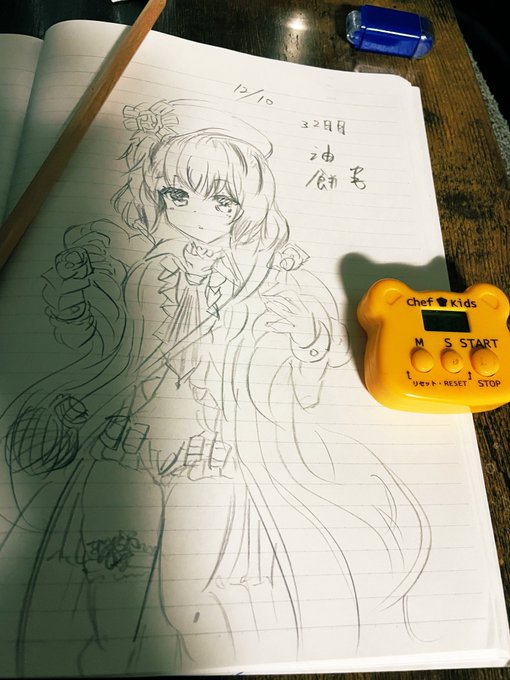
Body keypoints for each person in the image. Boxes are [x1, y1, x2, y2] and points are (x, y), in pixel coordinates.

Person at [0, 99, 430, 675]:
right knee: (107, 582)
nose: (197, 212)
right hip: (124, 445)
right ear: (156, 196)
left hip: (215, 452)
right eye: (178, 195)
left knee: (195, 601)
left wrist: (306, 340)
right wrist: (72, 291)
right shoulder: (140, 269)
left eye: (221, 199)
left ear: (247, 207)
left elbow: (303, 383)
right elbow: (100, 343)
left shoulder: (262, 285)